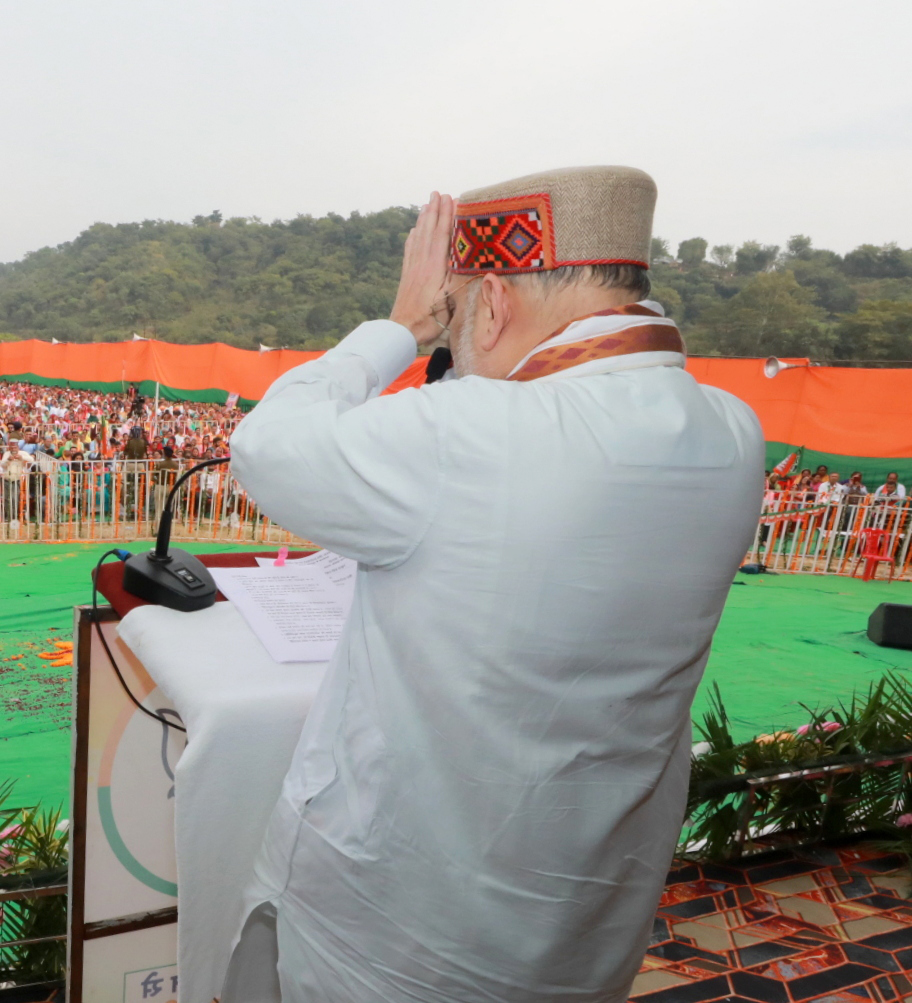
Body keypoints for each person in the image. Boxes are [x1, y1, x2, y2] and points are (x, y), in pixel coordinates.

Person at [226, 167, 763, 1003]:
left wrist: (399, 326)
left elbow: (267, 447)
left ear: (494, 303)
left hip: (395, 933)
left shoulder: (469, 433)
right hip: (588, 920)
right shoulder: (735, 431)